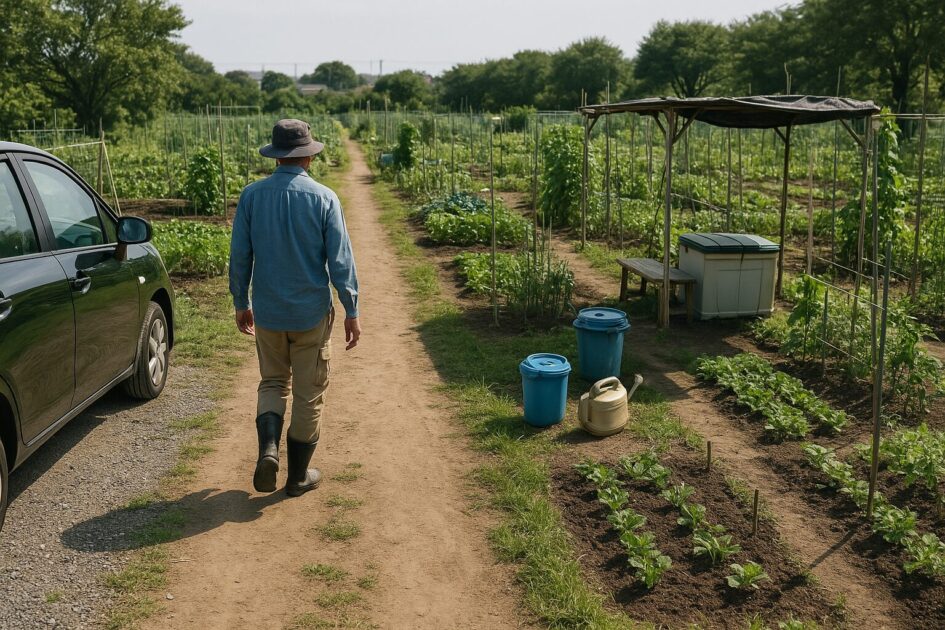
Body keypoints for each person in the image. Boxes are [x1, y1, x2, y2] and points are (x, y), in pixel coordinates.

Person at [229, 118, 360, 497]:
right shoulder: (324, 198)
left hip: (268, 312)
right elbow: (340, 261)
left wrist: (242, 301)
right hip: (310, 315)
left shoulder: (252, 196)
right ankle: (298, 476)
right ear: (308, 158)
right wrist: (351, 309)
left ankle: (269, 449)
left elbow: (240, 256)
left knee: (272, 382)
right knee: (309, 393)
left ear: (275, 157)